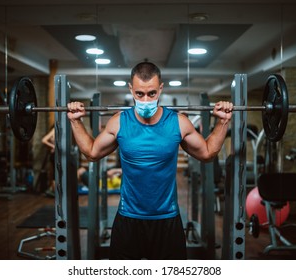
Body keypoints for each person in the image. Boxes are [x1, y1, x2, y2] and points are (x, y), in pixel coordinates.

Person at [67, 61, 233, 260]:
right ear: (131, 89)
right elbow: (92, 152)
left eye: (152, 93)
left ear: (161, 89)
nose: (146, 99)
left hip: (167, 220)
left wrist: (222, 121)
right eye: (139, 94)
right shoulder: (120, 121)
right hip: (128, 219)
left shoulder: (177, 122)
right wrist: (75, 120)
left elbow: (207, 153)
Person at [41, 127, 55, 196]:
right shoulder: (54, 130)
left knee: (57, 174)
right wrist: (53, 146)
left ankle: (53, 190)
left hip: (57, 154)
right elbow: (44, 140)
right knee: (55, 175)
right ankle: (54, 191)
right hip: (55, 155)